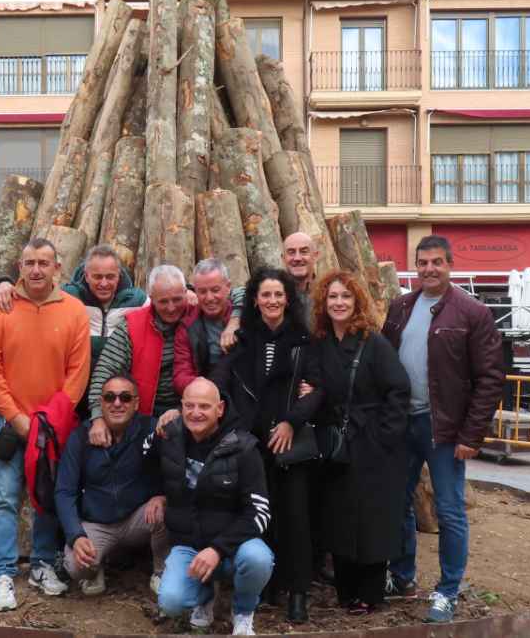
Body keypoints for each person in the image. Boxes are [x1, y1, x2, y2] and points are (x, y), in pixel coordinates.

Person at [382, 235, 504, 623]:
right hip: (403, 424)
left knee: (450, 511)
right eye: (422, 263)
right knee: (398, 503)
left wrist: (472, 435)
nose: (429, 269)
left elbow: (490, 378)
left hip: (445, 429)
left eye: (436, 262)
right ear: (414, 266)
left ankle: (447, 591)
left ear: (450, 264)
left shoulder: (472, 313)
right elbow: (384, 365)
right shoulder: (400, 307)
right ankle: (402, 577)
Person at [0, 238, 92, 610]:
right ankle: (2, 574)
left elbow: (79, 372)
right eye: (29, 263)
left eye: (44, 263)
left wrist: (49, 420)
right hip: (5, 421)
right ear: (19, 267)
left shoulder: (75, 311)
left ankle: (42, 564)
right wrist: (16, 417)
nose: (36, 270)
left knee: (45, 497)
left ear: (57, 267)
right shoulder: (0, 309)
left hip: (53, 424)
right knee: (4, 498)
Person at [210, 268, 323, 623]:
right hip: (252, 444)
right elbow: (220, 382)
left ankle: (298, 592)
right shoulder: (242, 339)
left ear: (287, 298)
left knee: (296, 519)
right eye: (265, 295)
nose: (272, 301)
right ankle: (268, 586)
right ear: (255, 301)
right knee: (261, 517)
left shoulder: (305, 340)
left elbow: (318, 388)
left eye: (278, 294)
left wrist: (292, 421)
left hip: (290, 442)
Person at [307, 270, 411, 614]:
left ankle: (370, 592)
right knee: (339, 516)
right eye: (333, 297)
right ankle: (346, 590)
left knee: (372, 519)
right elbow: (318, 387)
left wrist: (385, 437)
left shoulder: (373, 342)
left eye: (345, 297)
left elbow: (398, 390)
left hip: (372, 442)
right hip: (336, 442)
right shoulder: (320, 343)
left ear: (357, 302)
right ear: (324, 302)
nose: (339, 303)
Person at [149, 378, 273, 636]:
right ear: (181, 407)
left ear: (220, 409)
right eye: (189, 405)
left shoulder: (244, 447)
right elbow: (143, 464)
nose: (196, 413)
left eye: (204, 406)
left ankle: (243, 612)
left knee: (258, 559)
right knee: (171, 602)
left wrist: (217, 549)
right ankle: (203, 598)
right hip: (188, 543)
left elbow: (260, 513)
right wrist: (156, 494)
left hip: (234, 546)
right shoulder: (169, 435)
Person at [0, 245, 147, 420]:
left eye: (110, 277)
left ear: (119, 275)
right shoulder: (70, 298)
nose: (104, 283)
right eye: (97, 276)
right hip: (76, 406)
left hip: (118, 401)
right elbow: (39, 286)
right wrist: (3, 284)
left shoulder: (138, 301)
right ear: (86, 275)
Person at [55, 375, 169, 596]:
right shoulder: (80, 437)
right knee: (76, 566)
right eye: (110, 397)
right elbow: (64, 492)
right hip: (97, 523)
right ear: (101, 402)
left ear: (136, 403)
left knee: (164, 512)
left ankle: (162, 570)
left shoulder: (150, 430)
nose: (117, 403)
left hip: (137, 518)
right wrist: (76, 536)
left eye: (125, 397)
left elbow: (175, 468)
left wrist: (162, 496)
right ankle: (95, 569)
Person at [85, 265, 189, 446]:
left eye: (177, 299)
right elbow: (105, 370)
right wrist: (98, 417)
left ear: (186, 293)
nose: (171, 308)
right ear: (151, 298)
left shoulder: (197, 316)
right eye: (164, 301)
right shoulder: (133, 325)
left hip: (189, 410)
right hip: (140, 413)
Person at [221, 231, 322, 351]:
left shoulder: (326, 291)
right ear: (283, 258)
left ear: (315, 255)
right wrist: (235, 320)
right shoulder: (276, 287)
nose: (297, 258)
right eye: (291, 252)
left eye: (304, 251)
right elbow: (242, 291)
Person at [172, 259, 233, 395]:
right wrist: (202, 386)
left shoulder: (241, 314)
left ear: (228, 287)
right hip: (203, 395)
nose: (209, 298)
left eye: (215, 290)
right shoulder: (187, 325)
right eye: (202, 292)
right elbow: (181, 374)